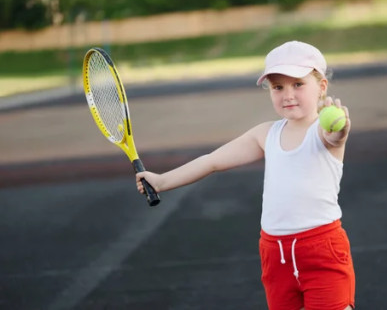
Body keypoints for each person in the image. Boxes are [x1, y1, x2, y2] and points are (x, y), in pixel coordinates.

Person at [136, 40, 355, 310]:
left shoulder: (323, 132)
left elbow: (335, 138)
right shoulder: (266, 134)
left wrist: (339, 132)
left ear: (321, 87)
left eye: (298, 84)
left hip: (321, 248)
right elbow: (212, 161)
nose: (287, 94)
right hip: (275, 254)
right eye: (278, 87)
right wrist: (161, 180)